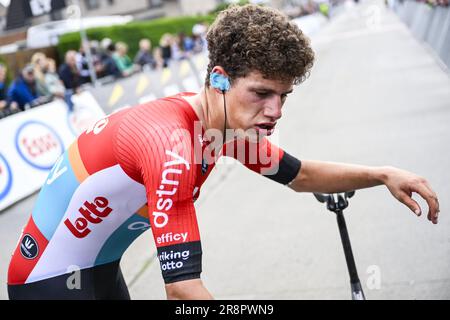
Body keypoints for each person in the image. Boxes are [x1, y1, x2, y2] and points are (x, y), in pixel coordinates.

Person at [7, 4, 440, 300]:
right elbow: (181, 290)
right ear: (218, 79)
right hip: (47, 280)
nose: (275, 112)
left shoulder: (224, 128)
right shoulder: (172, 144)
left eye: (284, 96)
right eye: (261, 93)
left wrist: (383, 174)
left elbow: (301, 176)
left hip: (99, 269)